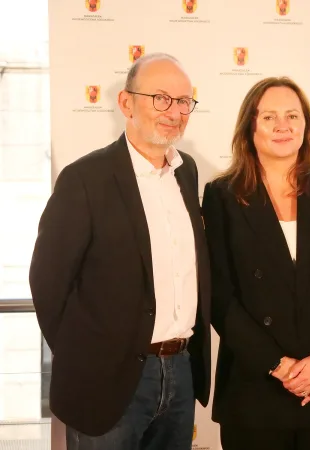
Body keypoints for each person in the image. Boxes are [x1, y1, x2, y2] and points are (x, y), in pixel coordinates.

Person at [29, 53, 212, 450]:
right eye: (160, 98)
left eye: (184, 101)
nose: (175, 112)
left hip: (180, 372)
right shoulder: (85, 178)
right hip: (106, 380)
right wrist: (87, 358)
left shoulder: (186, 172)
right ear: (127, 103)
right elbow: (48, 284)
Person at [202, 76, 310, 450]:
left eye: (292, 116)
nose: (283, 126)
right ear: (250, 127)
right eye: (269, 117)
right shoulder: (222, 196)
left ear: (306, 124)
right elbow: (219, 297)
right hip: (256, 384)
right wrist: (284, 369)